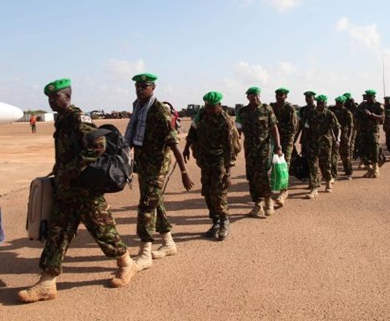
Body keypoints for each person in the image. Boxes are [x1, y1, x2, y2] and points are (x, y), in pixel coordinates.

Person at [18, 79, 137, 303]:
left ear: (67, 97)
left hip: (85, 191)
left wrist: (72, 169)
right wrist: (59, 172)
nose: (52, 102)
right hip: (66, 191)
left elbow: (98, 144)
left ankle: (126, 263)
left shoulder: (76, 118)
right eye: (49, 99)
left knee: (103, 231)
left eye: (56, 97)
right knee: (57, 233)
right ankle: (47, 282)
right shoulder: (61, 120)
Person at [125, 73, 193, 271]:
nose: (139, 89)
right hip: (144, 163)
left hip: (157, 166)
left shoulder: (158, 110)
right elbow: (133, 133)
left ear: (152, 88)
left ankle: (145, 252)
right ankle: (169, 243)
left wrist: (184, 171)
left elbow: (173, 142)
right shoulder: (137, 106)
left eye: (144, 86)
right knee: (156, 202)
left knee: (146, 205)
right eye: (137, 86)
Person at [183, 91, 235, 241]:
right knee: (207, 191)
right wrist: (187, 147)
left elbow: (228, 149)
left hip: (219, 160)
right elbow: (193, 131)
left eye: (212, 107)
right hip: (204, 159)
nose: (209, 109)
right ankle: (216, 222)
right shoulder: (202, 114)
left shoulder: (225, 122)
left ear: (219, 105)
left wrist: (228, 172)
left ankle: (224, 220)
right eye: (207, 106)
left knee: (218, 192)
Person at [236, 86, 282, 218]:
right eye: (251, 96)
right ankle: (257, 204)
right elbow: (237, 130)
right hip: (249, 148)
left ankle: (268, 200)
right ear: (247, 97)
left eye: (256, 95)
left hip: (264, 147)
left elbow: (274, 128)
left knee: (261, 174)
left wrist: (278, 146)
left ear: (259, 95)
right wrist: (235, 142)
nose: (254, 98)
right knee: (251, 175)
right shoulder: (243, 112)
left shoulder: (266, 109)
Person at [305, 94, 340, 198]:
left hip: (325, 142)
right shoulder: (311, 113)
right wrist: (304, 141)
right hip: (312, 142)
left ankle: (328, 180)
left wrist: (337, 139)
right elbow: (306, 127)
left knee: (325, 164)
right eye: (318, 103)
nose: (319, 105)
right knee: (313, 165)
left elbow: (337, 127)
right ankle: (314, 188)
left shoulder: (330, 114)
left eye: (322, 103)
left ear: (325, 103)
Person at [270, 87, 298, 206]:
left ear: (286, 96)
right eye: (277, 95)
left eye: (282, 95)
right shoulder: (272, 107)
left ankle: (284, 191)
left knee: (284, 164)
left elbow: (293, 127)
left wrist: (288, 142)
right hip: (273, 140)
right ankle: (275, 188)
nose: (279, 97)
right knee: (273, 164)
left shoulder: (289, 108)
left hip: (286, 140)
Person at [355, 90, 384, 178]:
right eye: (366, 96)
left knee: (374, 150)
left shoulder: (378, 105)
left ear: (373, 97)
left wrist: (371, 115)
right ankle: (369, 168)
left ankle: (375, 169)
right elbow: (356, 114)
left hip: (373, 131)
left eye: (369, 97)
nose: (367, 98)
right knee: (362, 150)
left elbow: (382, 117)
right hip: (363, 131)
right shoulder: (363, 105)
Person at [332, 95, 354, 179]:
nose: (337, 104)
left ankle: (348, 173)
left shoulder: (347, 112)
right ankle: (334, 174)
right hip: (334, 135)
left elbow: (351, 127)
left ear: (343, 103)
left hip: (344, 135)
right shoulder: (333, 110)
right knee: (334, 155)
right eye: (337, 102)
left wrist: (349, 139)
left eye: (339, 103)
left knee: (345, 155)